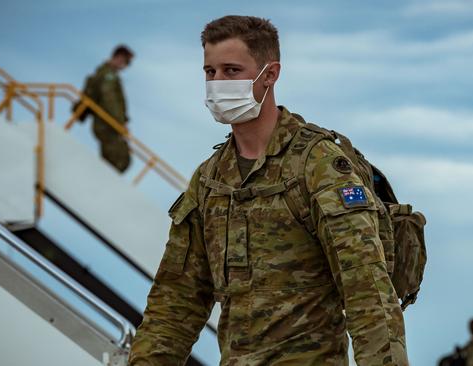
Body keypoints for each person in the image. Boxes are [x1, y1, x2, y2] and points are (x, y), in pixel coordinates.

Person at [128, 15, 408, 366]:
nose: (217, 83)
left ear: (270, 74)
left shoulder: (318, 166)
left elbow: (368, 294)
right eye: (209, 72)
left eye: (231, 71)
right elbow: (175, 302)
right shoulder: (211, 180)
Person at [86, 45, 134, 173]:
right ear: (119, 58)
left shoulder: (107, 74)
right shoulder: (108, 75)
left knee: (114, 161)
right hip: (107, 124)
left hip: (108, 124)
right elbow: (110, 102)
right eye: (126, 62)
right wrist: (120, 123)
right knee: (117, 162)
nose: (125, 66)